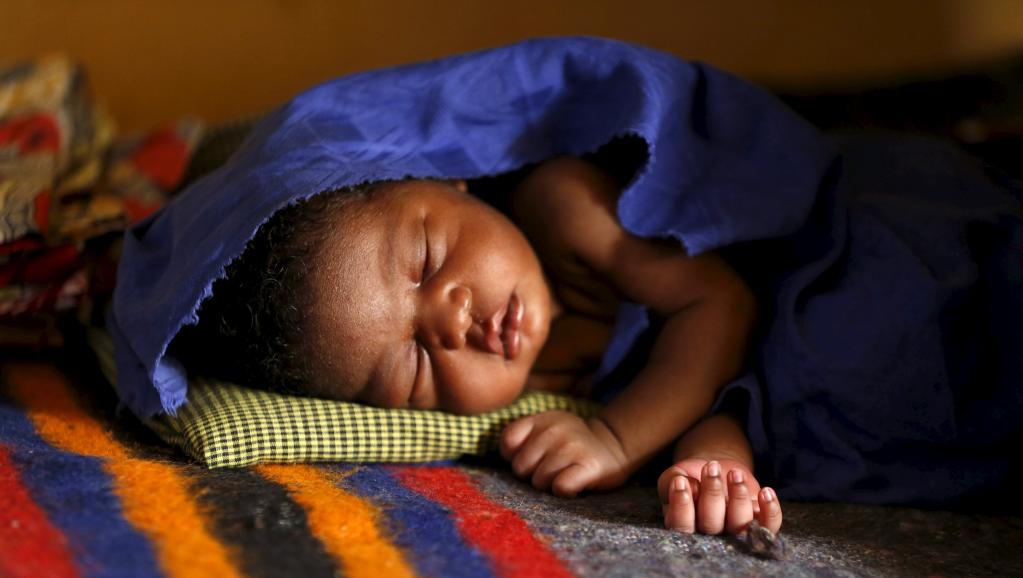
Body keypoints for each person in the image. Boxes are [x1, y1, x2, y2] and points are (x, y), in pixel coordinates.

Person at [111, 36, 1023, 539]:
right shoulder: (529, 402)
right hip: (754, 356)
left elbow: (719, 305)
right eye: (416, 369)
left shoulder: (566, 208)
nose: (455, 324)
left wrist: (620, 437)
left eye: (428, 261)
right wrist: (714, 465)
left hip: (841, 238)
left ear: (449, 181)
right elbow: (715, 381)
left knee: (918, 313)